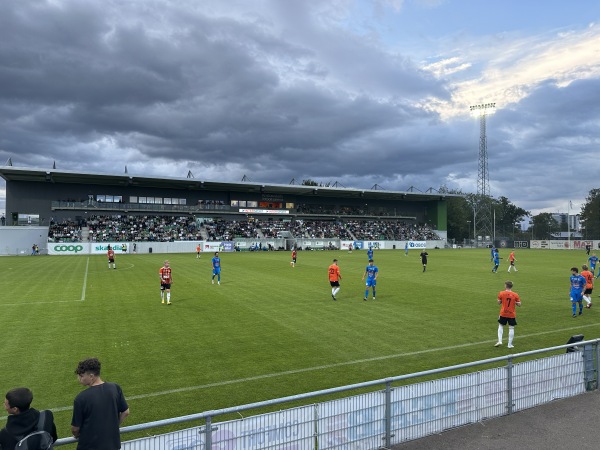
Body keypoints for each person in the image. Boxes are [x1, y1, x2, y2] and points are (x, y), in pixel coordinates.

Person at [71, 358, 129, 450]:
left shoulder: (81, 398)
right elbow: (126, 412)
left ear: (91, 376)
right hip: (112, 445)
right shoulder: (115, 388)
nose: (79, 379)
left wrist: (78, 434)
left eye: (81, 376)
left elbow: (75, 429)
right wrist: (112, 427)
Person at [494, 281, 521, 349]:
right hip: (511, 314)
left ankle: (500, 341)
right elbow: (519, 304)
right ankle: (509, 344)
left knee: (500, 326)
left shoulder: (501, 293)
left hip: (503, 313)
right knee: (511, 328)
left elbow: (499, 302)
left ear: (506, 286)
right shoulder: (515, 294)